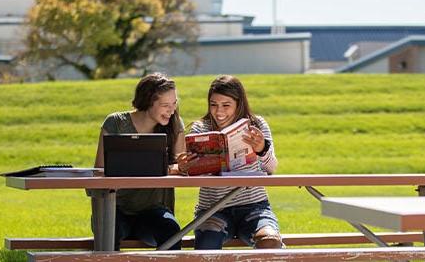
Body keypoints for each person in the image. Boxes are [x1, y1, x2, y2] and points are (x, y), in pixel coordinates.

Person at [178, 75, 283, 249]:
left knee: (269, 241)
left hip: (254, 207)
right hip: (213, 209)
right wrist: (185, 167)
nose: (219, 112)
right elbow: (193, 174)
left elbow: (271, 168)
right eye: (213, 105)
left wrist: (262, 149)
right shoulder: (200, 128)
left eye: (226, 105)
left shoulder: (257, 124)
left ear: (239, 104)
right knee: (207, 241)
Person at [93, 72, 188, 250]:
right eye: (165, 105)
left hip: (154, 211)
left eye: (174, 104)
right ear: (147, 102)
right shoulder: (116, 123)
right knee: (108, 230)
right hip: (116, 208)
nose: (172, 110)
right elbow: (99, 171)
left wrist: (180, 167)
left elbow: (181, 167)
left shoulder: (175, 125)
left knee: (171, 230)